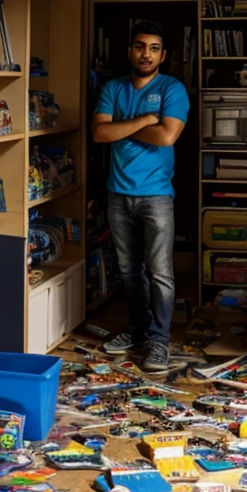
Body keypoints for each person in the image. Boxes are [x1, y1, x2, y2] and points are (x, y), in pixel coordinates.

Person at [91, 20, 190, 373]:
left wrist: (124, 126)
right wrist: (145, 119)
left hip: (156, 196)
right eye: (139, 46)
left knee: (160, 272)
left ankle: (158, 340)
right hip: (118, 194)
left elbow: (166, 137)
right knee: (130, 272)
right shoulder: (112, 88)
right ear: (129, 50)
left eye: (152, 48)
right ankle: (136, 329)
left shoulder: (172, 89)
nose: (144, 54)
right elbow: (100, 133)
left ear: (162, 55)